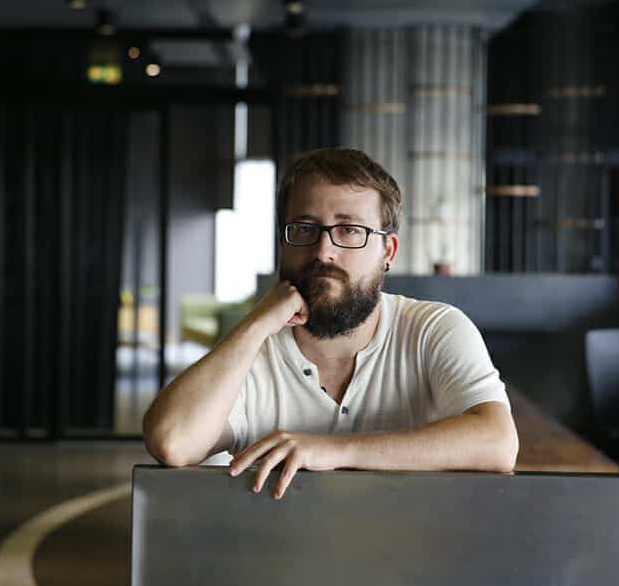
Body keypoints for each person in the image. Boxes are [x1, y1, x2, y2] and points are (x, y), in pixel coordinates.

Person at [143, 148, 518, 498]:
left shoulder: (433, 329)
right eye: (304, 228)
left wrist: (330, 451)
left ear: (387, 251)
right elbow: (172, 441)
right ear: (283, 244)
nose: (324, 251)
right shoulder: (252, 351)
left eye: (349, 230)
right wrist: (255, 324)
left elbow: (498, 443)